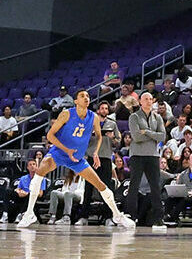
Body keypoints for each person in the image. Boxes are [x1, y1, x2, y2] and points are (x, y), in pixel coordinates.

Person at [14, 90, 134, 229]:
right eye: (82, 96)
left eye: (88, 96)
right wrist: (67, 150)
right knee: (40, 172)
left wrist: (95, 152)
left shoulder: (93, 117)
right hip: (59, 152)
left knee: (100, 184)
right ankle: (29, 213)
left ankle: (117, 215)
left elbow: (100, 136)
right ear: (76, 101)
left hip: (77, 158)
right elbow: (50, 135)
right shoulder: (66, 114)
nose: (86, 98)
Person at [124, 93, 169, 229]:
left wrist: (147, 132)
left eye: (151, 99)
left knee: (155, 186)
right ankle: (131, 216)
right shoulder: (134, 117)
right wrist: (152, 135)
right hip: (137, 155)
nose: (149, 101)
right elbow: (136, 137)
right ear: (140, 101)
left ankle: (158, 218)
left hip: (153, 155)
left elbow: (162, 136)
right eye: (146, 99)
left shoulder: (158, 117)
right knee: (134, 186)